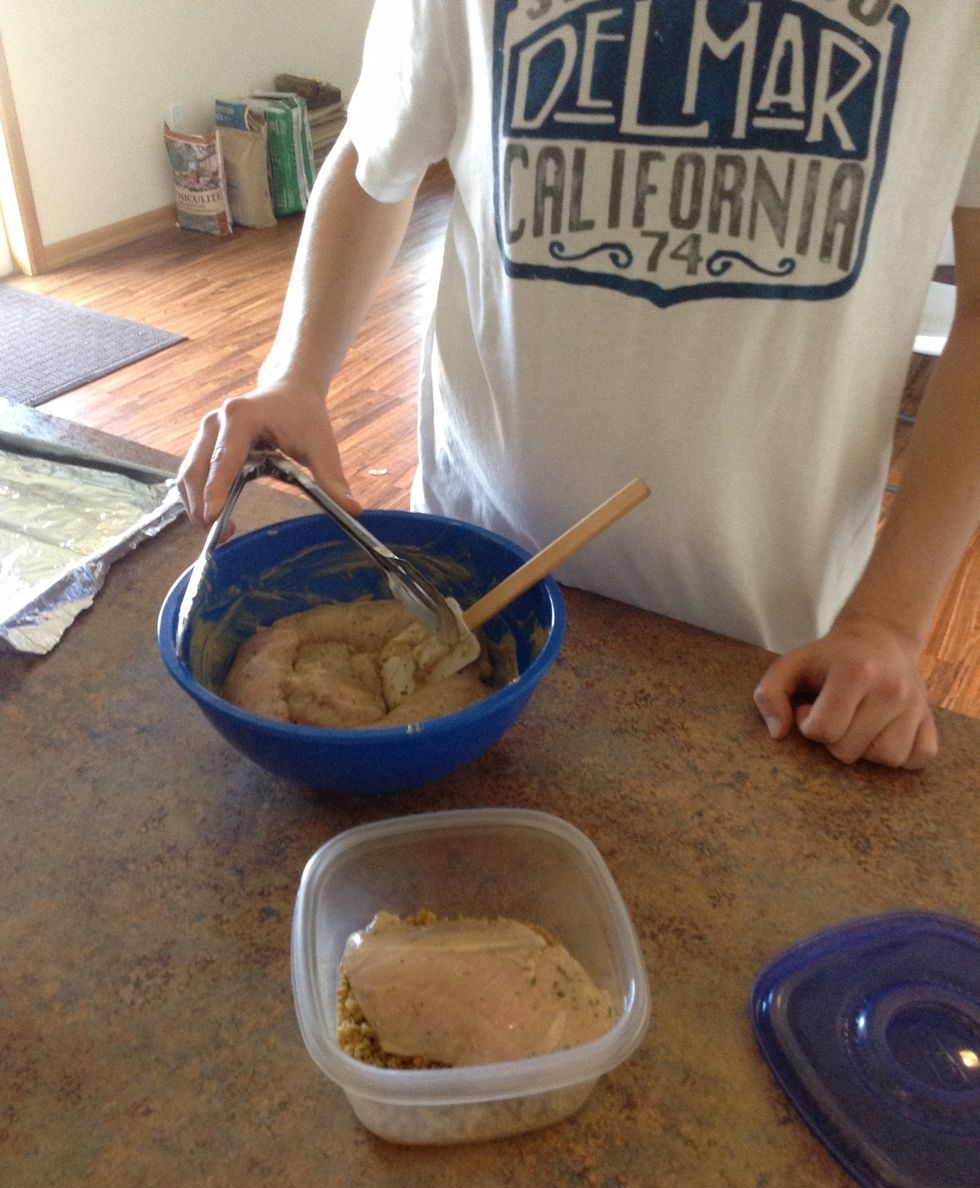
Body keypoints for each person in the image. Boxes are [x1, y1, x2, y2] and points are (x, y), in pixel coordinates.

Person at [178, 0, 980, 771]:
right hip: (459, 595)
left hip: (766, 652)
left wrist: (888, 621)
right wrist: (296, 373)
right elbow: (378, 146)